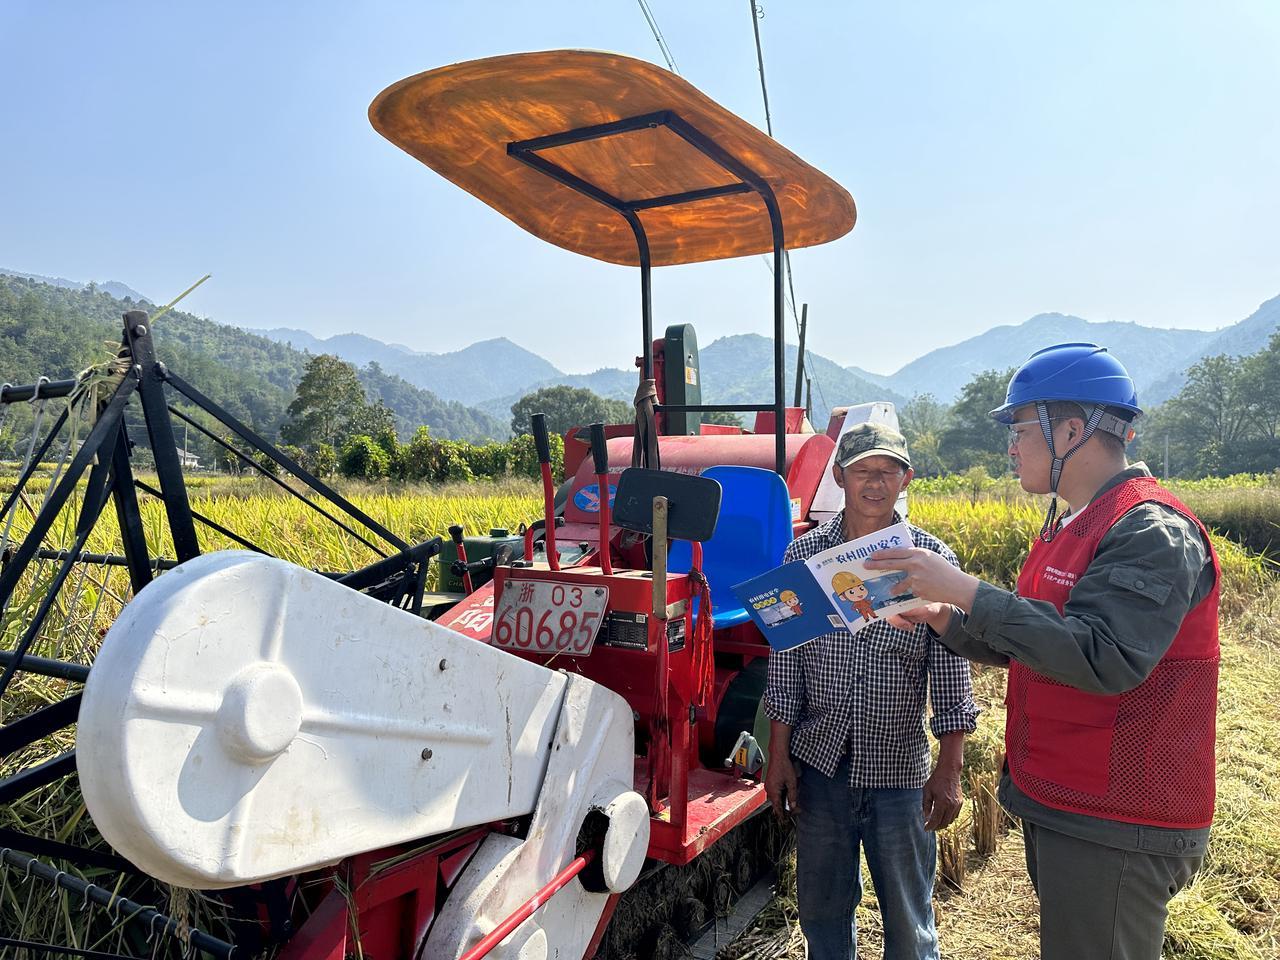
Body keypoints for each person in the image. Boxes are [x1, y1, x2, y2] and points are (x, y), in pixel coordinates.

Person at [866, 343, 1218, 960]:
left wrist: (964, 587)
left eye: (1019, 428)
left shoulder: (1149, 531)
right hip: (1067, 798)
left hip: (1119, 812)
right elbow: (1040, 641)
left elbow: (1103, 655)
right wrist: (945, 618)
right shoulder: (1075, 523)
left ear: (1072, 431)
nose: (1010, 446)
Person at [763, 422, 979, 960]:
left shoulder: (930, 560)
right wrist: (778, 755)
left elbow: (952, 672)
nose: (875, 482)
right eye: (863, 470)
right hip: (821, 769)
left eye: (888, 471)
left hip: (899, 772)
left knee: (909, 923)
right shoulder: (804, 556)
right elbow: (787, 662)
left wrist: (949, 769)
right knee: (823, 915)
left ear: (906, 479)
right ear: (840, 476)